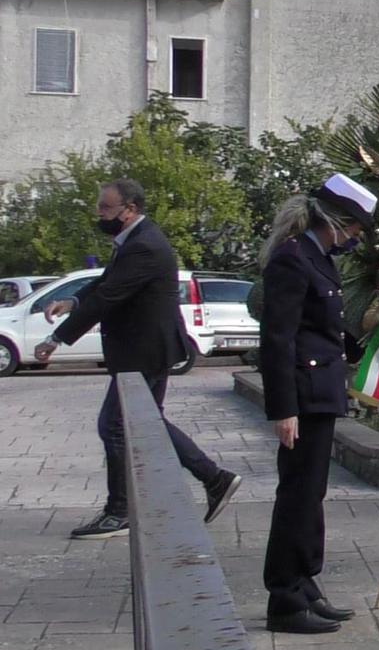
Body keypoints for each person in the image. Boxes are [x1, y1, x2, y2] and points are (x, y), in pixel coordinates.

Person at [34, 178, 240, 541]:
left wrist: (56, 338)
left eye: (105, 208)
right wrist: (74, 300)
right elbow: (105, 283)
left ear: (129, 210)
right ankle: (214, 478)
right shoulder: (135, 240)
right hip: (146, 350)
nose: (99, 214)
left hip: (144, 352)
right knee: (147, 422)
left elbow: (108, 297)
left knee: (113, 426)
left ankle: (119, 512)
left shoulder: (144, 245)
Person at [257, 173, 377, 634]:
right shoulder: (292, 258)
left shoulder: (317, 257)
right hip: (303, 398)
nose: (355, 238)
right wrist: (282, 408)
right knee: (297, 495)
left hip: (322, 392)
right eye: (355, 228)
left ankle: (305, 582)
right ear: (335, 220)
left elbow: (323, 327)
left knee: (312, 495)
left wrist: (365, 344)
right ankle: (284, 598)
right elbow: (278, 338)